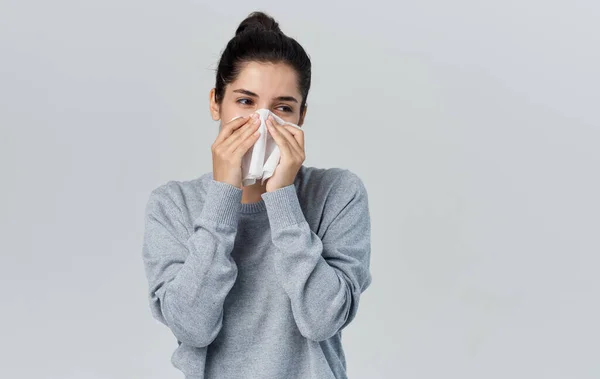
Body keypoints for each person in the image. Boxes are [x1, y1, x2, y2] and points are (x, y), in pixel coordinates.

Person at [142, 11, 372, 379]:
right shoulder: (173, 205)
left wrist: (281, 196)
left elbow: (322, 321)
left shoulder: (337, 194)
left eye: (282, 108)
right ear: (216, 102)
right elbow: (192, 327)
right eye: (246, 102)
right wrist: (222, 196)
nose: (263, 122)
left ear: (301, 117)